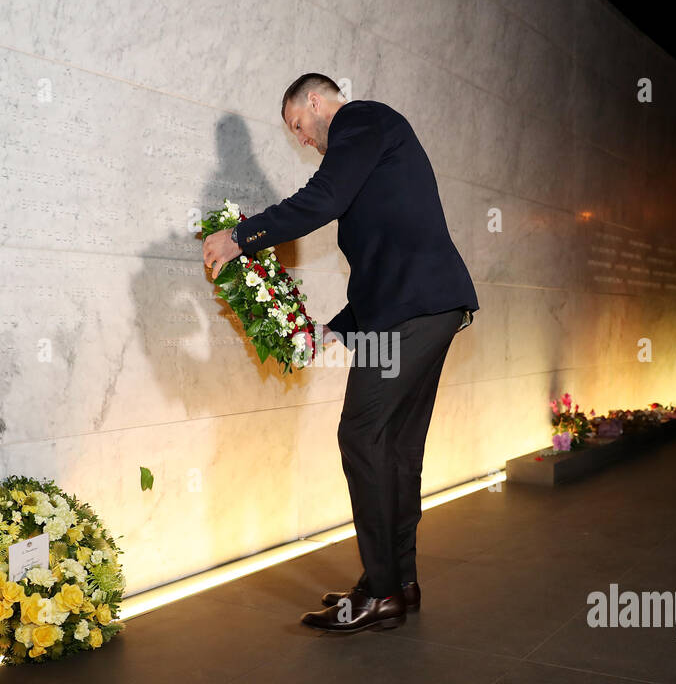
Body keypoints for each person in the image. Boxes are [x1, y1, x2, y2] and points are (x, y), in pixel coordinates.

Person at [201, 73, 480, 633]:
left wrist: (240, 237)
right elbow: (384, 257)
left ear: (314, 101)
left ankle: (382, 592)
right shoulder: (375, 137)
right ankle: (397, 582)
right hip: (421, 306)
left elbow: (323, 200)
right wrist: (333, 330)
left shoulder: (362, 119)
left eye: (298, 126)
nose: (302, 139)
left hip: (414, 312)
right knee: (396, 447)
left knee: (361, 436)